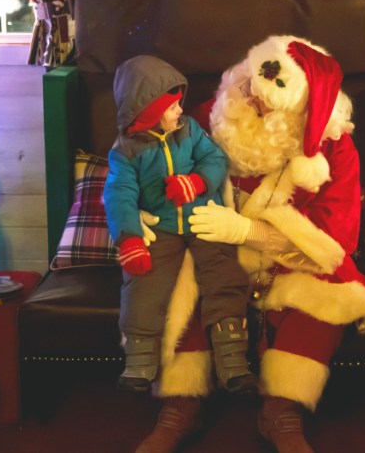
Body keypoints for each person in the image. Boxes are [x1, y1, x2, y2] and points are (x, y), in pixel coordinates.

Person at [134, 36, 365, 453]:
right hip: (209, 254)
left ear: (297, 113)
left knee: (326, 297)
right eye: (245, 85)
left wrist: (249, 233)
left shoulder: (335, 149)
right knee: (172, 278)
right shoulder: (202, 119)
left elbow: (335, 243)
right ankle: (181, 405)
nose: (246, 100)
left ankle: (280, 412)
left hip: (286, 263)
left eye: (262, 101)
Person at [103, 55, 256, 396]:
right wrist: (129, 238)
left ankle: (233, 361)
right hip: (162, 225)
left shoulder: (188, 129)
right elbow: (119, 195)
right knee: (143, 280)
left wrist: (198, 183)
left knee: (225, 275)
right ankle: (139, 361)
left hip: (203, 216)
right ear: (148, 114)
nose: (178, 110)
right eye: (170, 107)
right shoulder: (126, 151)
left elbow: (214, 158)